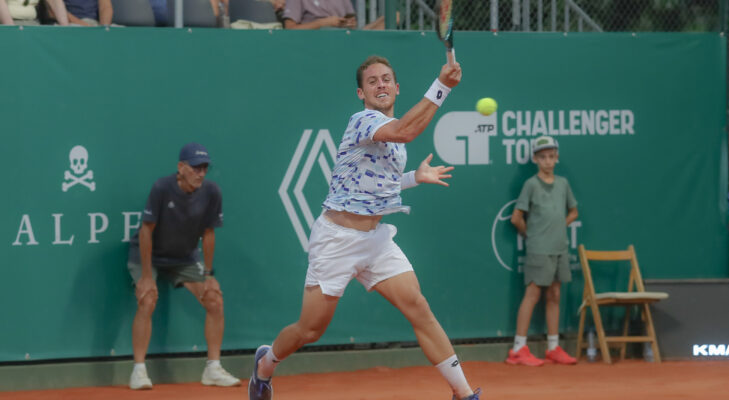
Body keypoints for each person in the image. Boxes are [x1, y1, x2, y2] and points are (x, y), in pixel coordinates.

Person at [248, 56, 480, 400]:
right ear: (361, 93)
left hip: (375, 240)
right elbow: (406, 131)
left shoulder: (393, 138)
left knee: (418, 306)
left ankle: (463, 393)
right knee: (310, 329)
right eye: (373, 82)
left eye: (387, 79)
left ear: (397, 87)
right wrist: (443, 85)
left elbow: (376, 184)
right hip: (336, 240)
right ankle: (265, 365)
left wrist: (414, 177)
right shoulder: (363, 121)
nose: (381, 85)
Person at [127, 143, 240, 390]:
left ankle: (212, 368)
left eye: (205, 168)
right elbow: (146, 231)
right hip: (148, 255)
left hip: (184, 258)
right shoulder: (161, 188)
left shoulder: (212, 192)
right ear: (181, 168)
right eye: (195, 168)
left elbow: (208, 234)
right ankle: (139, 371)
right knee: (147, 298)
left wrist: (209, 275)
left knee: (214, 299)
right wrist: (146, 276)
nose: (201, 173)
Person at [506, 136, 579, 367]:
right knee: (533, 294)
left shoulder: (563, 184)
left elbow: (573, 212)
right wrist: (533, 234)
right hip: (538, 248)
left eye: (551, 156)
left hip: (559, 248)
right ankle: (518, 349)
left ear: (556, 158)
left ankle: (553, 347)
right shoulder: (531, 184)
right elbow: (516, 218)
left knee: (555, 295)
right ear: (536, 159)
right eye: (542, 157)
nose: (547, 161)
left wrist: (557, 227)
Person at [281, 0, 383, 30]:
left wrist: (348, 23)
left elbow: (352, 23)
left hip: (345, 41)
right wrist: (323, 23)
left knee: (388, 20)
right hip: (313, 45)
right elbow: (290, 29)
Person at [5, 0, 69, 25]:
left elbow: (55, 1)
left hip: (33, 22)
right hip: (8, 23)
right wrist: (11, 30)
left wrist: (65, 28)